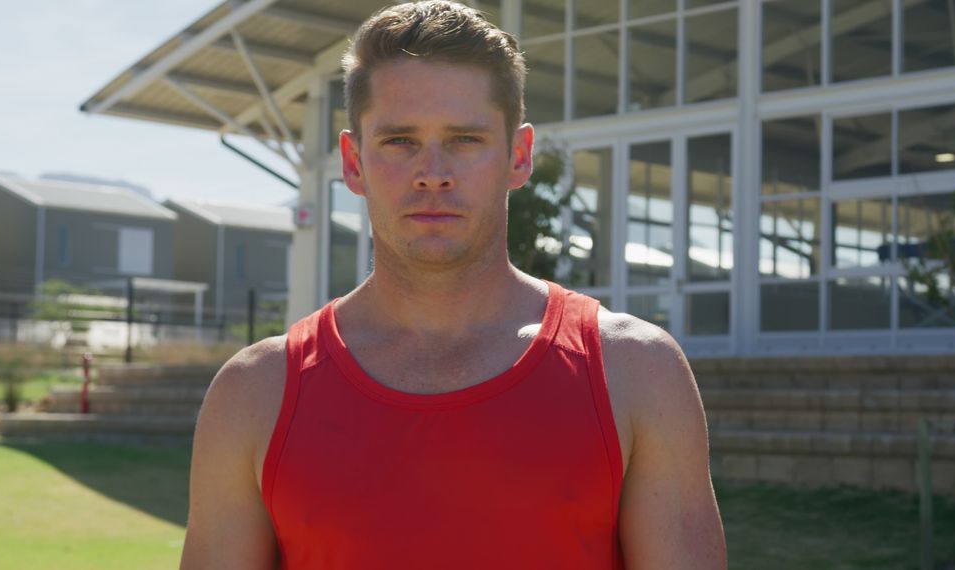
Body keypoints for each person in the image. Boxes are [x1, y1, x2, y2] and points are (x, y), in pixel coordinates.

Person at [179, 1, 726, 568]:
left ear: (518, 156)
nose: (433, 171)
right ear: (353, 162)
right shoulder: (254, 394)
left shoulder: (635, 372)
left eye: (464, 139)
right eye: (399, 140)